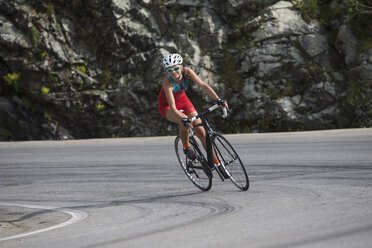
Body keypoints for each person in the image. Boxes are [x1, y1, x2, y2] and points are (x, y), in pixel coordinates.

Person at [158, 53, 228, 170]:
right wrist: (183, 118)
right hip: (168, 107)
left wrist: (217, 99)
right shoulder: (167, 81)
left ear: (181, 66)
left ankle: (217, 163)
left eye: (176, 68)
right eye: (170, 70)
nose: (174, 72)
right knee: (183, 121)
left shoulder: (187, 72)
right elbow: (173, 107)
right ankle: (186, 147)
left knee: (201, 131)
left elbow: (203, 85)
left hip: (183, 101)